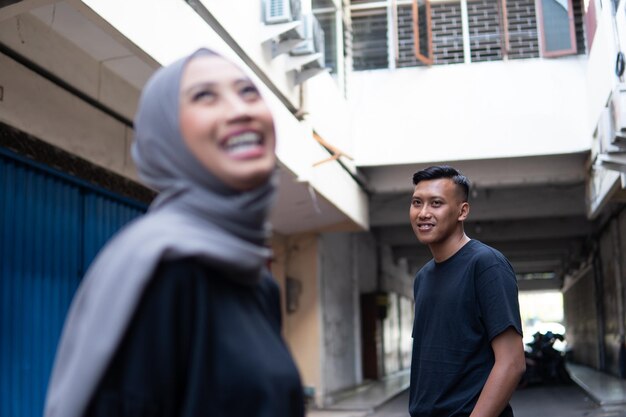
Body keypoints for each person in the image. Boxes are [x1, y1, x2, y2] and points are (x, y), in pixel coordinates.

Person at [44, 49, 305, 417]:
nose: (240, 109)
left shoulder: (257, 283)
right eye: (205, 96)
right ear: (166, 133)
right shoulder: (166, 272)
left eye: (248, 92)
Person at [408, 165, 525, 417]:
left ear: (462, 211)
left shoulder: (486, 265)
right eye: (417, 203)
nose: (423, 213)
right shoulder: (423, 278)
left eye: (436, 203)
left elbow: (512, 362)